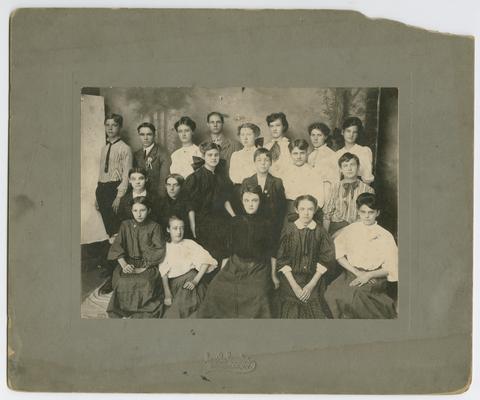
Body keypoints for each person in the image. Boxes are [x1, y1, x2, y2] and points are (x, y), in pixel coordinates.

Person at [198, 185, 275, 318]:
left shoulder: (267, 223)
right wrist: (223, 271)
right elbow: (228, 250)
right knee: (216, 288)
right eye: (247, 200)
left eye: (254, 200)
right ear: (242, 201)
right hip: (235, 264)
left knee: (258, 293)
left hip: (258, 267)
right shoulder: (235, 221)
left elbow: (272, 252)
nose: (250, 204)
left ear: (260, 201)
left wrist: (273, 275)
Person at [324, 193, 398, 319]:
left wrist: (368, 275)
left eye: (371, 212)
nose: (367, 216)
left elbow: (391, 267)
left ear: (377, 213)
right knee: (331, 293)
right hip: (351, 272)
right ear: (358, 212)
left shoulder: (385, 235)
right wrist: (356, 272)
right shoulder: (351, 229)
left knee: (356, 295)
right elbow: (339, 254)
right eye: (363, 212)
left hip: (376, 275)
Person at [276, 195, 336, 318]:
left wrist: (310, 286)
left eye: (310, 209)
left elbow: (326, 259)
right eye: (302, 209)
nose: (306, 213)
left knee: (314, 308)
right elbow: (282, 260)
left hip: (313, 278)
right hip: (291, 278)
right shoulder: (289, 230)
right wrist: (295, 287)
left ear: (315, 211)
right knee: (291, 311)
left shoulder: (320, 231)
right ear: (296, 210)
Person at [106, 196, 166, 318]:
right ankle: (124, 310)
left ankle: (140, 311)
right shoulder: (125, 225)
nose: (139, 214)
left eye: (142, 210)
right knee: (122, 281)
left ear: (149, 210)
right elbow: (117, 246)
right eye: (135, 211)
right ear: (131, 211)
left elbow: (159, 249)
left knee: (145, 282)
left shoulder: (155, 226)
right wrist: (124, 265)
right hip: (127, 263)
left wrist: (144, 267)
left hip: (148, 264)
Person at [183, 142, 235, 267]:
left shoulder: (222, 177)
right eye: (210, 155)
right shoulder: (195, 178)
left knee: (227, 248)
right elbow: (190, 206)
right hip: (203, 221)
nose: (213, 158)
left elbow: (226, 200)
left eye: (216, 155)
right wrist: (193, 225)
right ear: (204, 157)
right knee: (210, 254)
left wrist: (234, 216)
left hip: (221, 219)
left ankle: (221, 278)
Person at [160, 215, 218, 318]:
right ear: (168, 229)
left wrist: (195, 281)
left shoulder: (189, 243)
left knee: (202, 305)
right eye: (175, 228)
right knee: (183, 304)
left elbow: (206, 261)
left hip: (194, 280)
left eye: (182, 228)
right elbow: (163, 273)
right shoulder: (165, 247)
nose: (179, 232)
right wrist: (167, 294)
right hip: (176, 284)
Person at [241, 147, 286, 258]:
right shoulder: (247, 181)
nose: (263, 163)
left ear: (271, 162)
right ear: (254, 162)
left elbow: (281, 207)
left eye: (266, 160)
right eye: (259, 160)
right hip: (253, 224)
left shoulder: (277, 182)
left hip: (271, 223)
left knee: (269, 251)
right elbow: (243, 205)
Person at [95, 113, 132, 241]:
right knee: (108, 227)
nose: (110, 128)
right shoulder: (104, 148)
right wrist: (97, 194)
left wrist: (119, 196)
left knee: (116, 226)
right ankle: (113, 256)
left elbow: (127, 174)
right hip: (102, 189)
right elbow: (101, 172)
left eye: (114, 125)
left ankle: (119, 257)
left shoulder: (125, 148)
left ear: (120, 127)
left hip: (114, 189)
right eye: (107, 125)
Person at [323, 152, 374, 236]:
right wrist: (325, 237)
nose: (349, 168)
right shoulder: (334, 188)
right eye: (345, 166)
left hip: (358, 228)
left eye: (352, 165)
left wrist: (346, 231)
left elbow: (368, 215)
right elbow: (327, 215)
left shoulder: (368, 190)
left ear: (358, 167)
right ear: (341, 170)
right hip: (336, 227)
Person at [281, 139, 331, 224]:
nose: (299, 157)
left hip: (308, 213)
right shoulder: (284, 173)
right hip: (288, 211)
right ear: (290, 154)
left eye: (302, 153)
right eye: (295, 153)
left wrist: (307, 212)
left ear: (307, 153)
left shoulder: (314, 172)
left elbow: (319, 199)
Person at [229, 122, 263, 213]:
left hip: (255, 191)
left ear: (255, 136)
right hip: (238, 191)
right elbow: (233, 176)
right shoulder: (235, 155)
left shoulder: (260, 154)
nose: (245, 137)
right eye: (242, 134)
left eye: (249, 134)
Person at [133, 122, 171, 197]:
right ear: (139, 136)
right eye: (142, 134)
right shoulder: (136, 154)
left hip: (156, 197)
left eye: (149, 134)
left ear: (154, 135)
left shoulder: (163, 153)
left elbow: (164, 181)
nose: (145, 138)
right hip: (139, 196)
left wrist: (160, 200)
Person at [335, 117, 374, 184]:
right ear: (342, 132)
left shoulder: (364, 151)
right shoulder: (338, 153)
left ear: (358, 134)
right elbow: (336, 178)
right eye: (348, 131)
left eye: (355, 132)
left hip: (360, 188)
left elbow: (368, 178)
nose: (351, 135)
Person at [156, 174, 194, 239]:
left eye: (175, 185)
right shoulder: (160, 203)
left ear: (181, 186)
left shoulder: (188, 203)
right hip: (165, 238)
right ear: (165, 186)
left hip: (184, 238)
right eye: (169, 185)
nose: (171, 188)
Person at [264, 112, 291, 178]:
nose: (274, 129)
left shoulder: (290, 146)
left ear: (284, 126)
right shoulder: (265, 147)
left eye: (278, 125)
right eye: (271, 126)